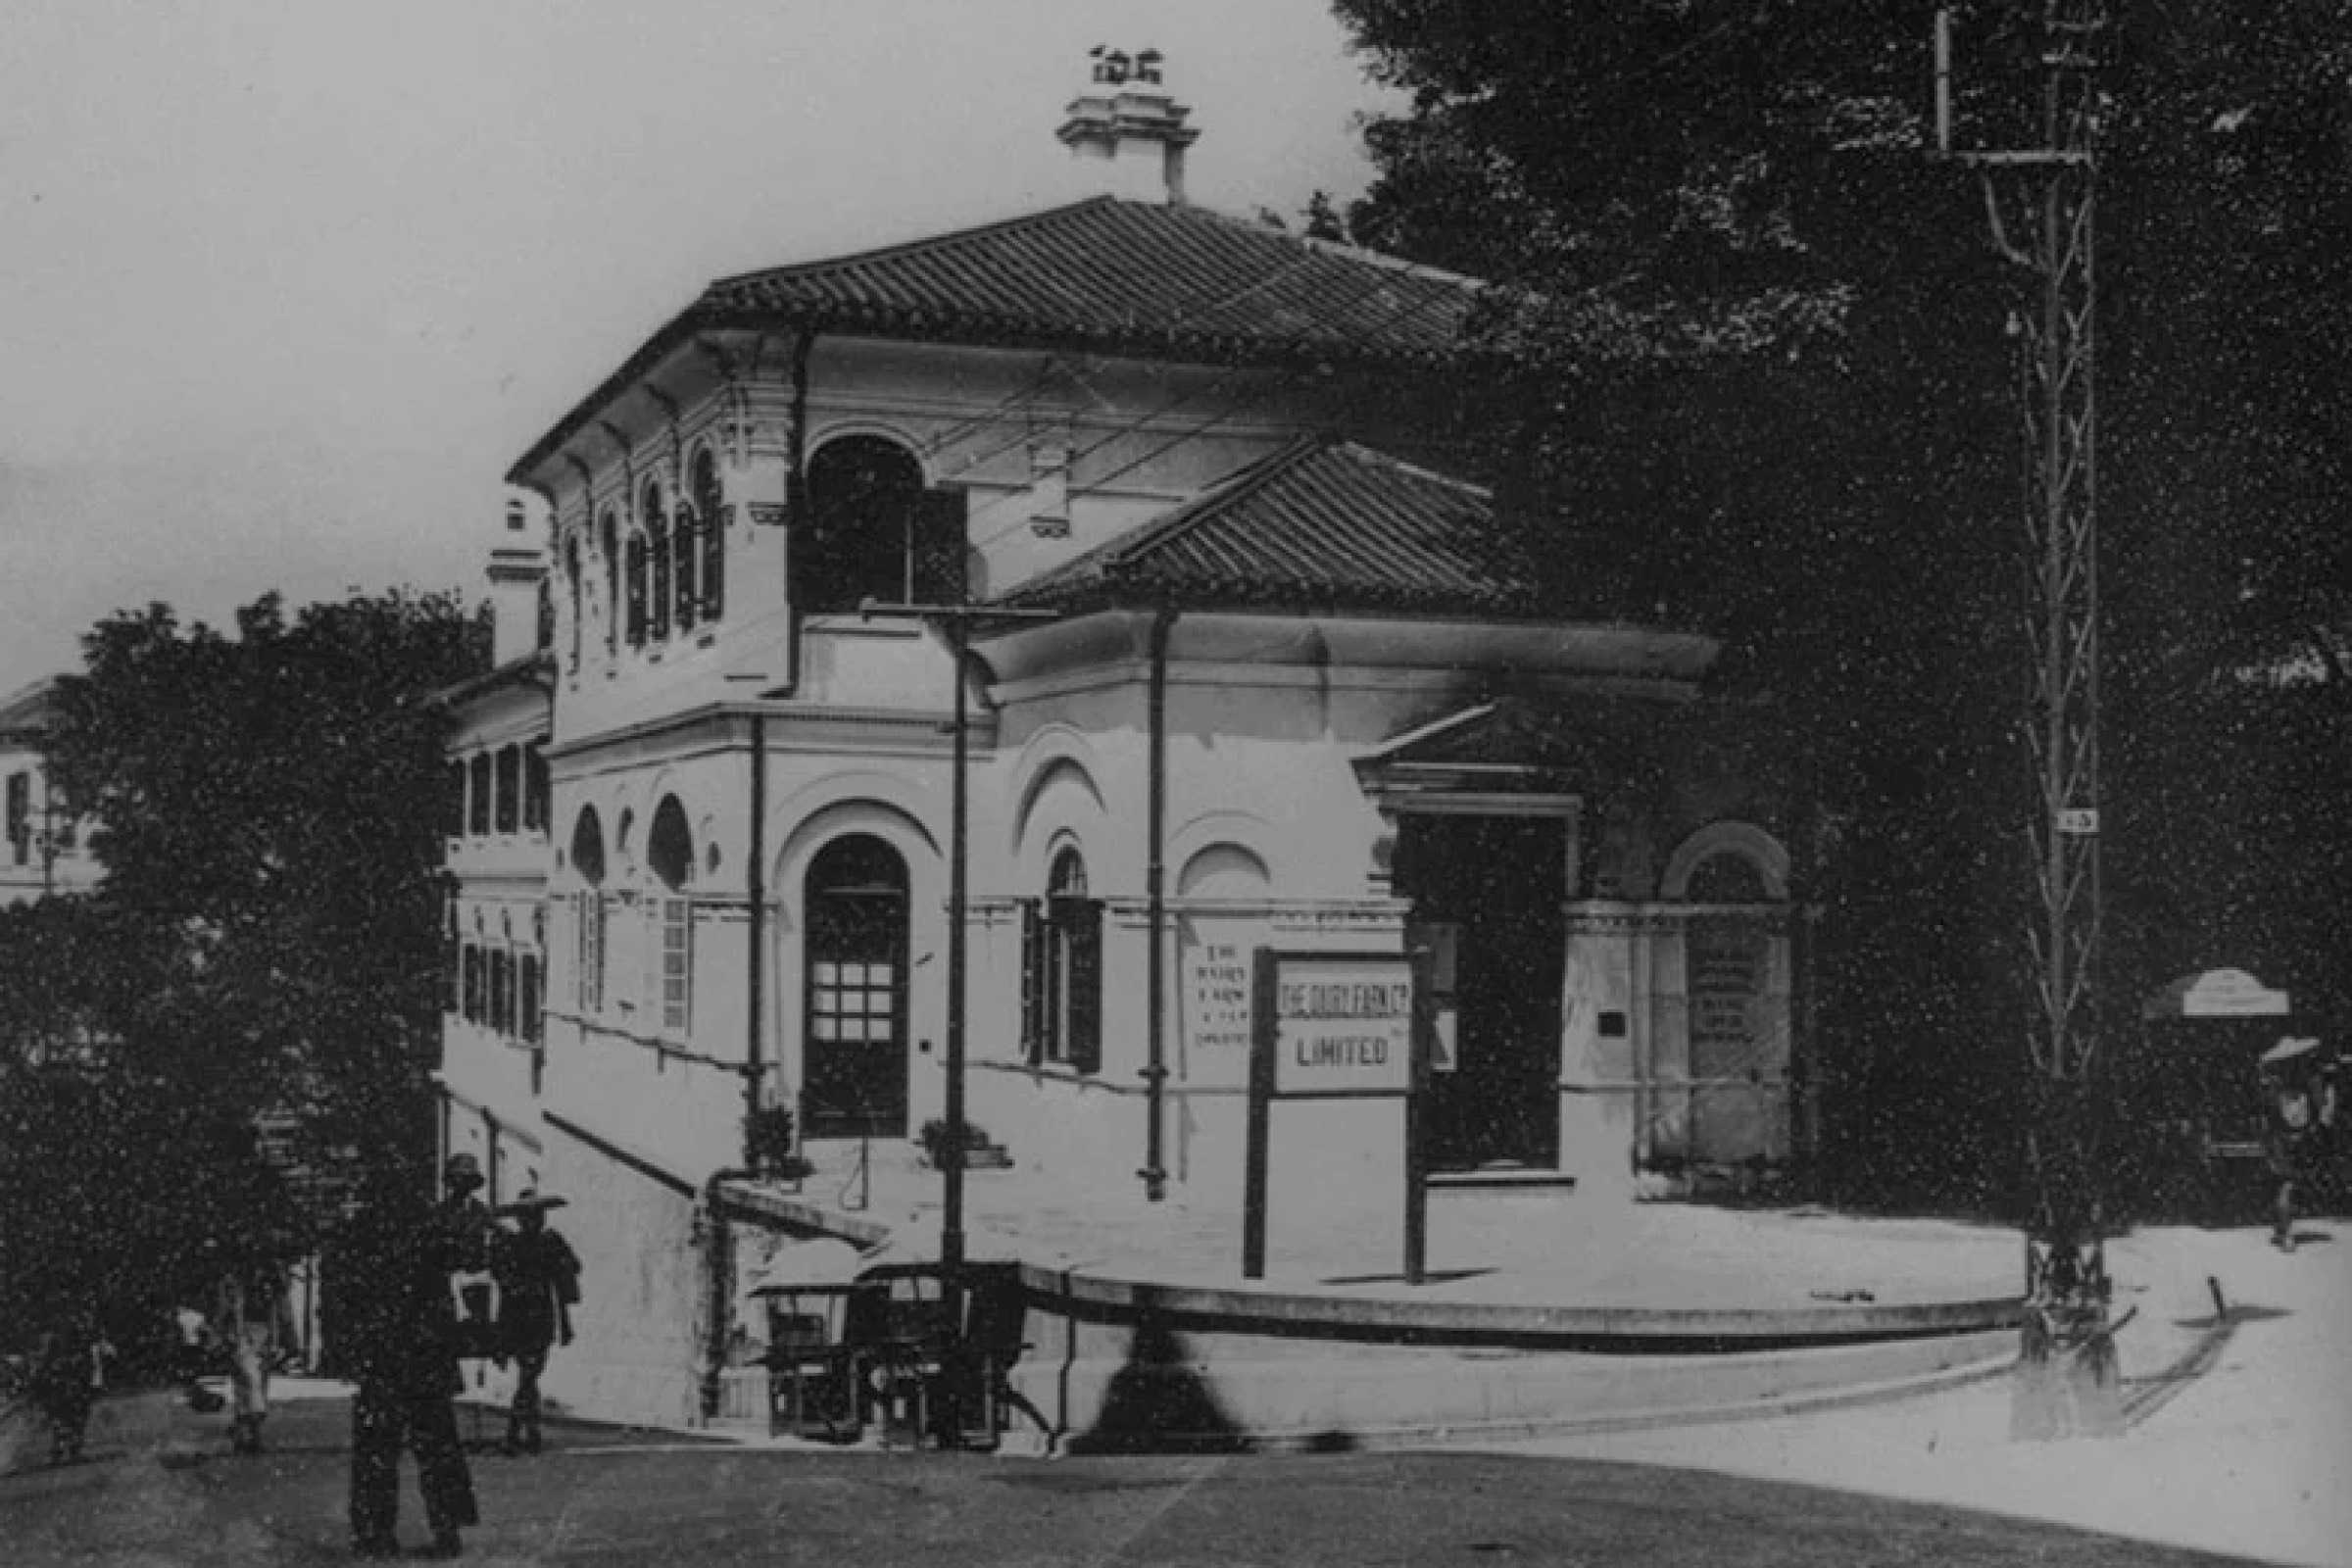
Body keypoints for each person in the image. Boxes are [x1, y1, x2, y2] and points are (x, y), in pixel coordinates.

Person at [330, 1176, 480, 1561]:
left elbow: (340, 1297)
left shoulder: (359, 1236)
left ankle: (374, 1535)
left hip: (385, 1357)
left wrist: (350, 1349)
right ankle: (443, 1531)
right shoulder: (430, 1230)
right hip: (422, 1355)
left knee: (379, 1451)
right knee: (436, 1449)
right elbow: (468, 1259)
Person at [488, 1188, 581, 1456]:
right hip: (518, 1315)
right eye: (528, 1216)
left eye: (537, 1215)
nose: (533, 1221)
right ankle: (523, 1432)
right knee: (528, 1374)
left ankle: (522, 1431)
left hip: (539, 1315)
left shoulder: (549, 1242)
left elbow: (573, 1268)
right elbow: (498, 1273)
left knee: (529, 1373)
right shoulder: (509, 1244)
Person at [213, 1251, 300, 1453]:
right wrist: (220, 1336)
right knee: (249, 1380)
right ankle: (248, 1425)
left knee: (256, 1382)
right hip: (241, 1335)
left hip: (267, 1335)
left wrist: (290, 1340)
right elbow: (222, 1310)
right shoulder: (232, 1282)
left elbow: (285, 1311)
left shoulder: (274, 1281)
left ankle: (250, 1433)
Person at [2262, 1042, 2325, 1251]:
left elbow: (2269, 1114)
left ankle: (2282, 1229)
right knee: (2288, 1186)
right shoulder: (2305, 1084)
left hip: (2279, 1138)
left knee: (2283, 1185)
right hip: (2296, 1136)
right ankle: (2286, 1233)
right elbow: (2316, 1109)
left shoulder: (2273, 1086)